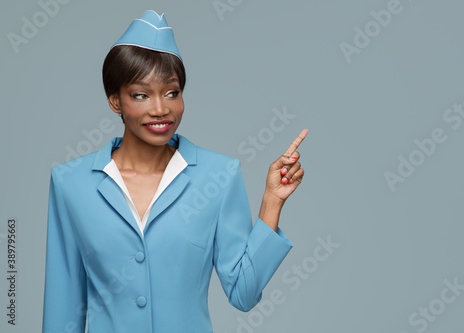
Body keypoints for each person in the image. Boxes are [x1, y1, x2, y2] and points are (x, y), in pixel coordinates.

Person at [42, 10, 308, 333]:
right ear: (115, 100)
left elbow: (244, 293)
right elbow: (62, 313)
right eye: (141, 95)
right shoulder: (71, 184)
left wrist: (271, 203)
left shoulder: (219, 176)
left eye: (172, 92)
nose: (161, 109)